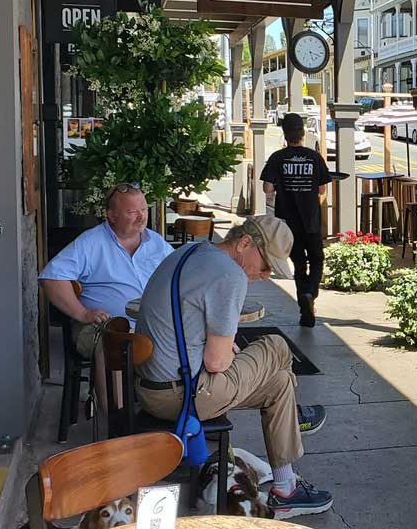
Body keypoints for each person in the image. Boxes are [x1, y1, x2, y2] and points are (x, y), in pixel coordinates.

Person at [135, 215, 333, 520]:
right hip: (182, 396)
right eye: (266, 264)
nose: (266, 275)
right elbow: (217, 362)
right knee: (277, 346)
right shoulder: (229, 274)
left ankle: (286, 489)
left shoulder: (191, 252)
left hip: (153, 385)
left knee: (280, 382)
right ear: (244, 243)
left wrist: (224, 348)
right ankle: (294, 415)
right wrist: (227, 351)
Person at [39, 183, 173, 360]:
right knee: (113, 346)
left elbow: (181, 275)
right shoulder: (91, 242)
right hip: (105, 326)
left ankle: (162, 388)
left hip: (153, 324)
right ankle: (113, 389)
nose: (142, 217)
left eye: (144, 209)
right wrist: (83, 313)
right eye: (132, 212)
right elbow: (52, 278)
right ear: (112, 216)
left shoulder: (156, 242)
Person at [261, 113, 335, 327]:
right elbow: (322, 189)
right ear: (303, 134)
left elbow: (267, 188)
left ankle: (305, 309)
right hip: (310, 219)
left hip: (287, 223)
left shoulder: (277, 158)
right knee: (317, 259)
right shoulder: (314, 157)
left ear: (285, 135)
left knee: (299, 264)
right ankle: (311, 292)